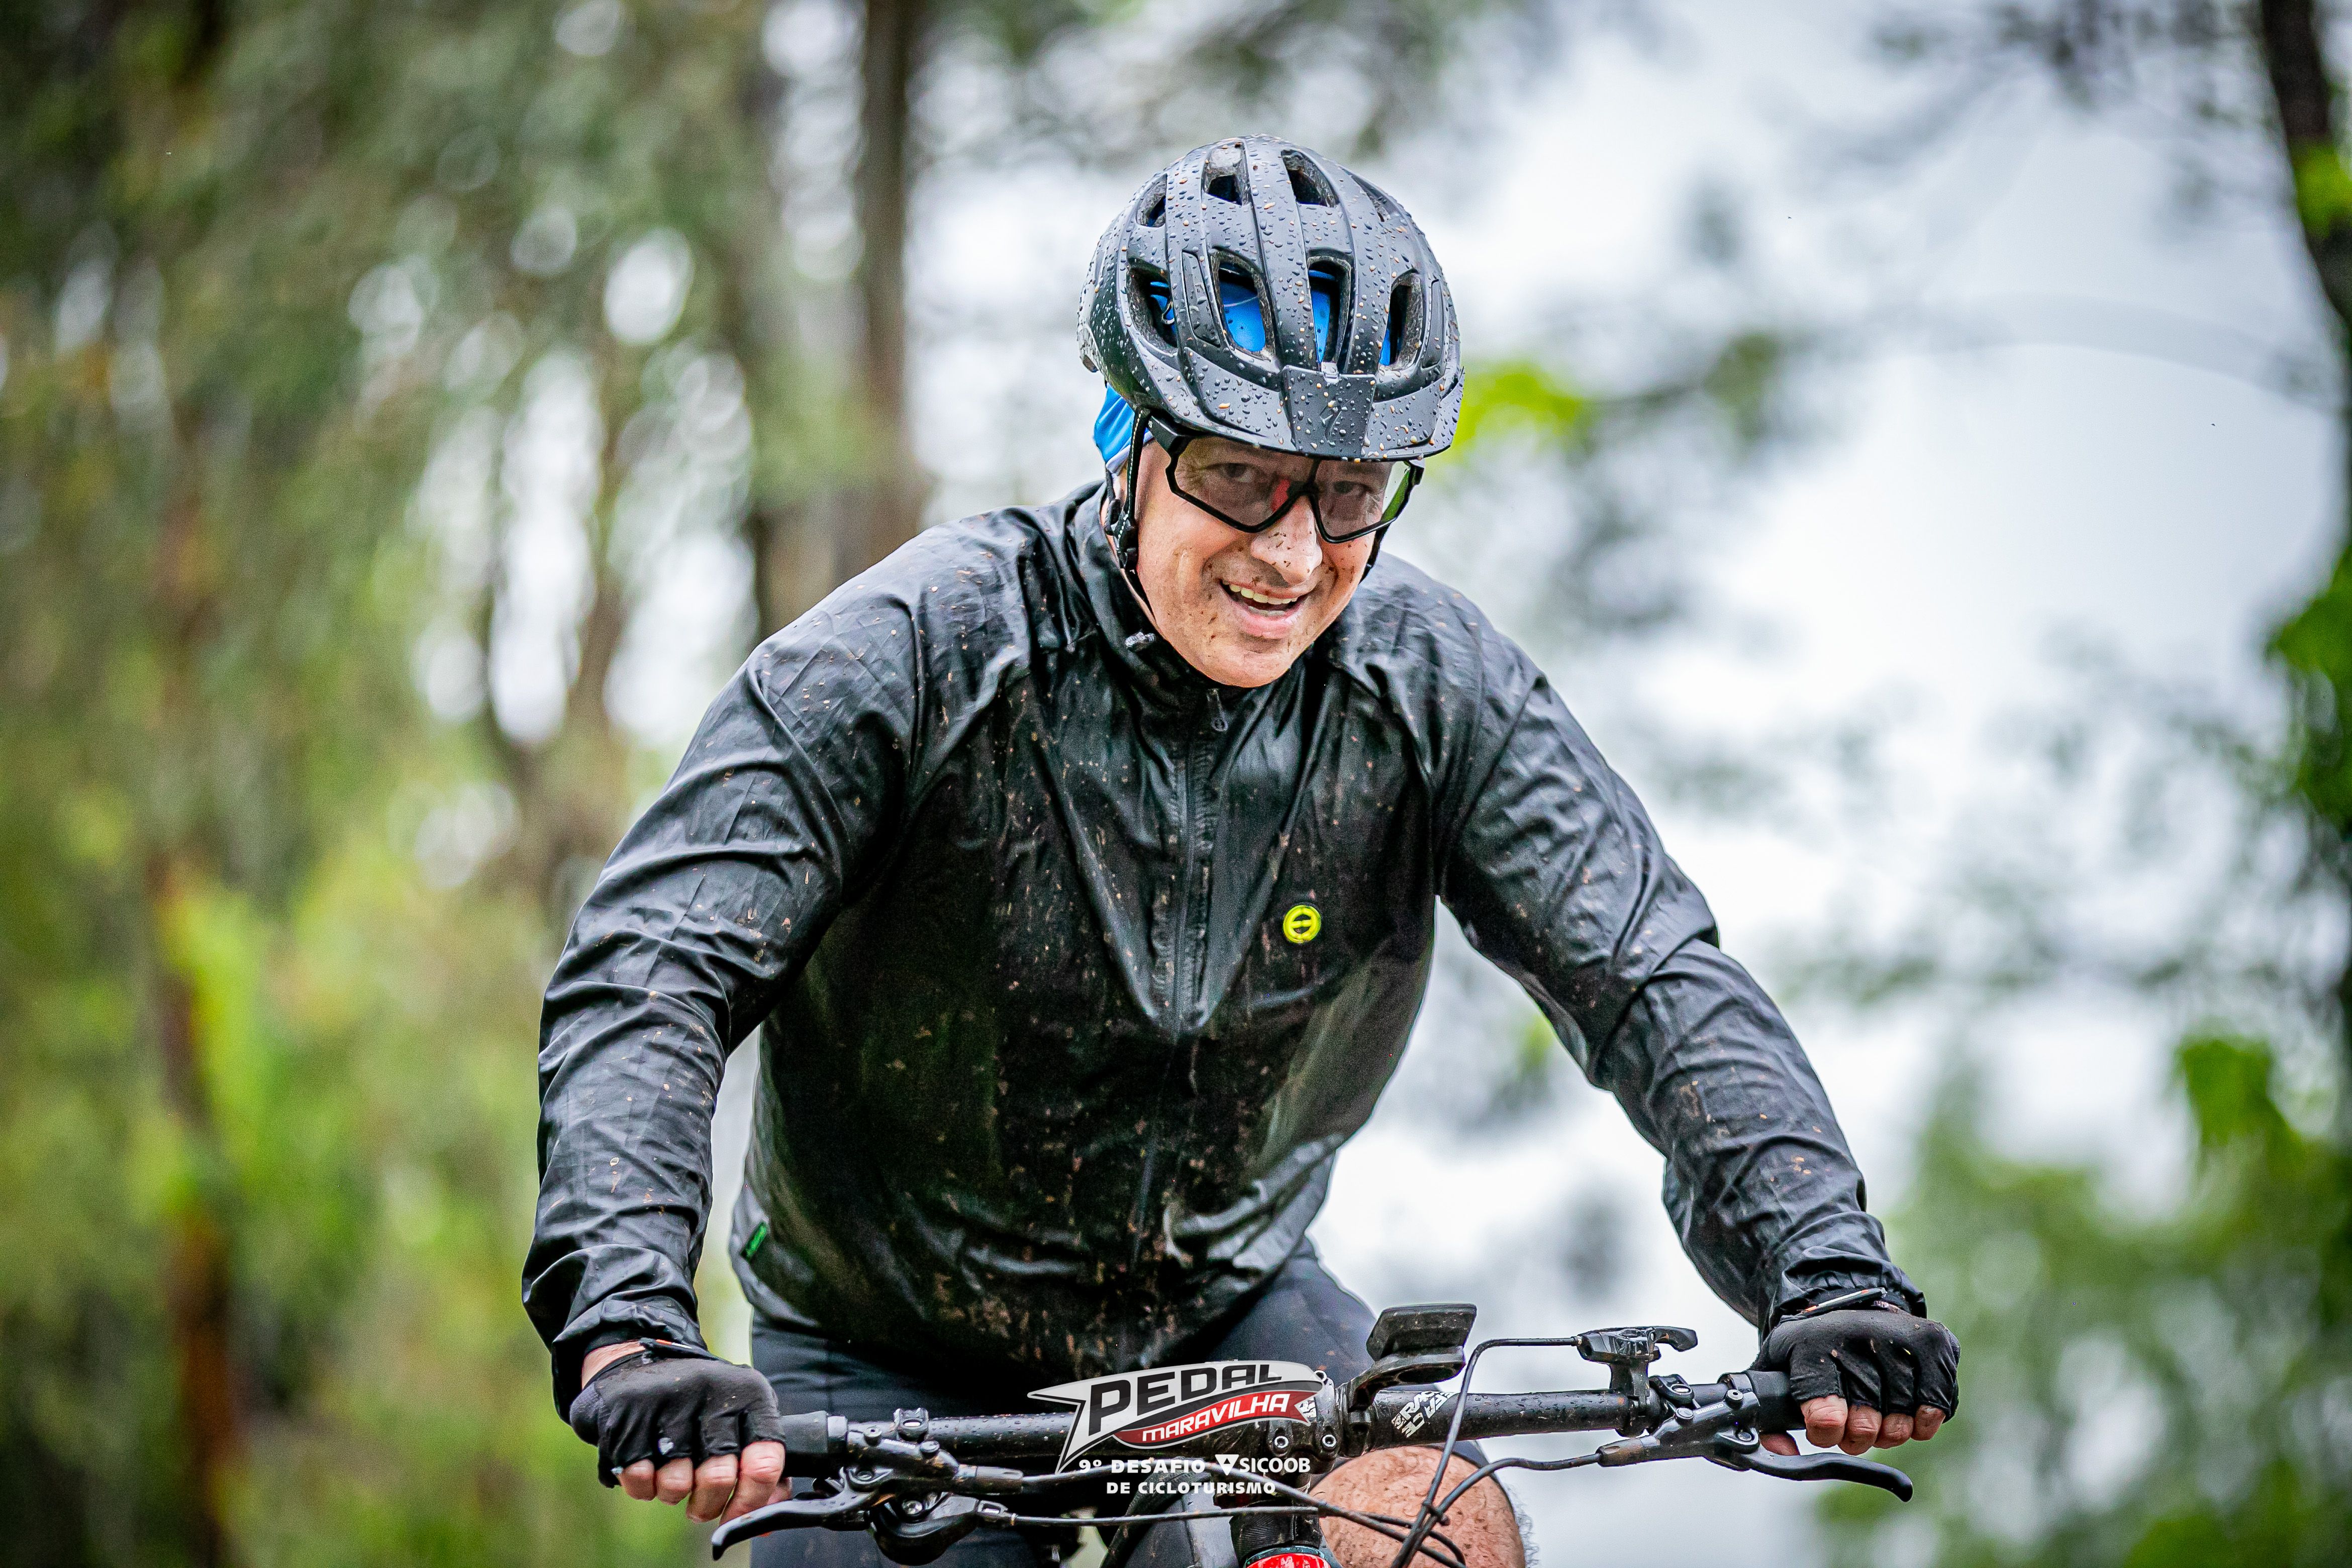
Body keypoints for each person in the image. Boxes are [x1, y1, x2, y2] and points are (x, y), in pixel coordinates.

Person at [524, 137, 1959, 1566]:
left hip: (1229, 1315)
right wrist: (632, 1320)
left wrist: (1824, 1269)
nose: (1293, 553)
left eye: (1351, 494)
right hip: (883, 1345)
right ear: (1130, 441)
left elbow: (1647, 973)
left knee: (1425, 1529)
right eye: (1239, 475)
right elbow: (655, 969)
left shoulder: (1428, 686)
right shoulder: (913, 652)